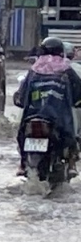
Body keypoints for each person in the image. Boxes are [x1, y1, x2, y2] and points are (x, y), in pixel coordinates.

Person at [14, 36, 81, 178]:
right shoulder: (66, 69)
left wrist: (19, 100)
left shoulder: (34, 69)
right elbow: (78, 90)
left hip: (32, 115)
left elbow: (23, 93)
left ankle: (22, 163)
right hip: (59, 118)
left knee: (21, 133)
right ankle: (71, 164)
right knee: (71, 136)